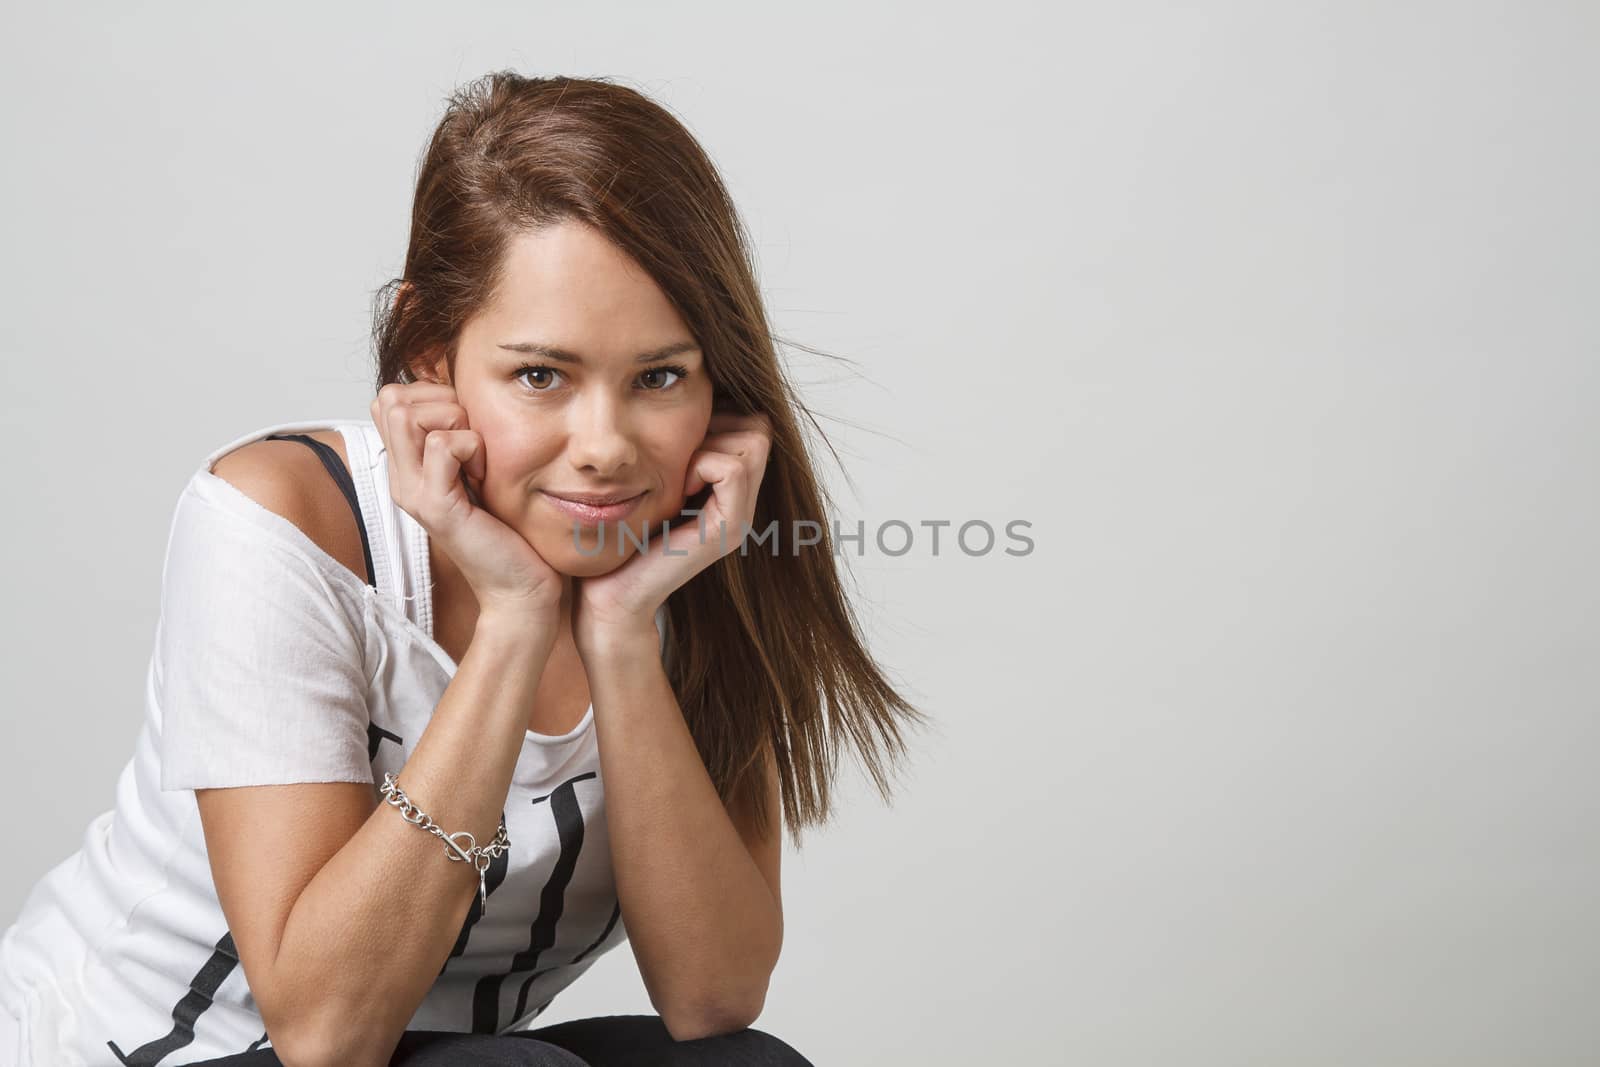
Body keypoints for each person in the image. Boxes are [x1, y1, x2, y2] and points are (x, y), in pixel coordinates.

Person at [0, 70, 927, 1066]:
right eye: (541, 375)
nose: (606, 446)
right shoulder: (279, 516)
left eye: (659, 376)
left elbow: (713, 994)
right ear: (429, 352)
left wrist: (618, 635)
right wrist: (516, 624)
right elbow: (326, 1030)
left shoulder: (691, 551)